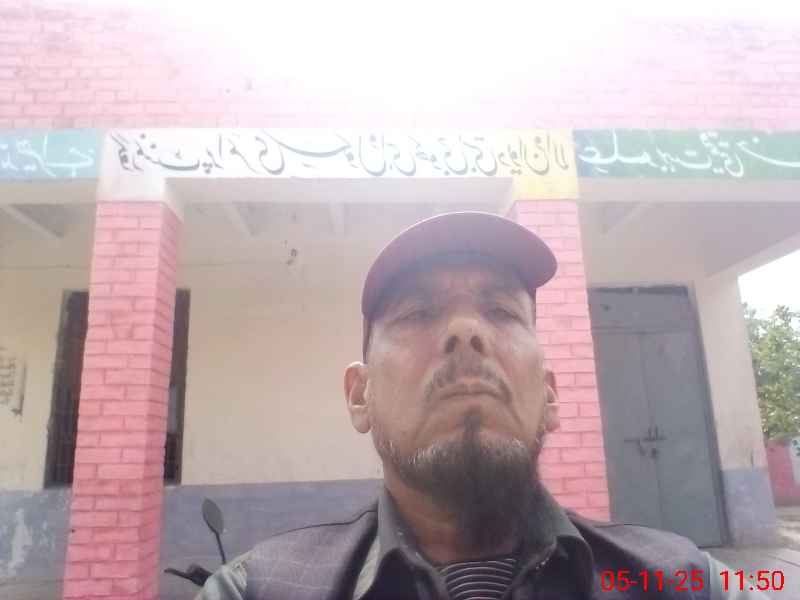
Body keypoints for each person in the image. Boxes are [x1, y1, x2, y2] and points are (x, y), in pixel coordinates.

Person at [197, 212, 769, 599]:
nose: (465, 331)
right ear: (359, 395)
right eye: (417, 313)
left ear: (549, 395)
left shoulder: (685, 582)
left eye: (501, 311)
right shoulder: (255, 590)